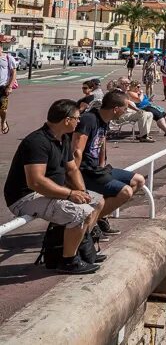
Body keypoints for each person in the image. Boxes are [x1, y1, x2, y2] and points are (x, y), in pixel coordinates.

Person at [3, 99, 104, 274]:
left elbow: (72, 169)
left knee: (96, 201)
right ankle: (68, 260)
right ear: (66, 120)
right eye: (77, 118)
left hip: (48, 191)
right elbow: (36, 182)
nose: (79, 121)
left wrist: (81, 191)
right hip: (26, 196)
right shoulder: (36, 142)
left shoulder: (63, 138)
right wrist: (70, 194)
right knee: (80, 212)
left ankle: (80, 247)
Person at [71, 91, 146, 236]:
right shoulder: (89, 119)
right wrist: (75, 182)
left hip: (97, 169)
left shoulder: (105, 120)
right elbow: (76, 151)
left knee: (138, 181)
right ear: (116, 109)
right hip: (84, 171)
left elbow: (101, 143)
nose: (126, 112)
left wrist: (101, 164)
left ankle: (96, 219)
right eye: (125, 108)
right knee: (125, 191)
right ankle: (87, 228)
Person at [0, 48, 17, 136]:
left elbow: (14, 72)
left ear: (1, 48)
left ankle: (3, 121)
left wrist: (10, 86)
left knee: (3, 109)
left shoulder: (8, 58)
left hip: (3, 87)